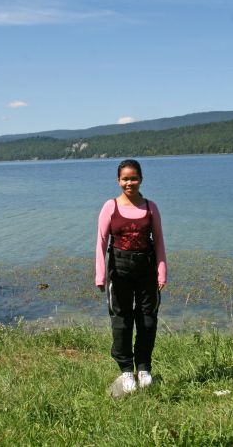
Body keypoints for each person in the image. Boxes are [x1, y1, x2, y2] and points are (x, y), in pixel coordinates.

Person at [95, 159, 167, 395]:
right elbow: (101, 241)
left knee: (147, 320)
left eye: (133, 178)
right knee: (121, 321)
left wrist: (161, 271)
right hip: (120, 272)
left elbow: (159, 241)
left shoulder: (150, 207)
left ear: (141, 179)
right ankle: (126, 370)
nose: (129, 183)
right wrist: (101, 275)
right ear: (118, 181)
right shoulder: (110, 207)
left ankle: (144, 368)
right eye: (125, 178)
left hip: (146, 272)